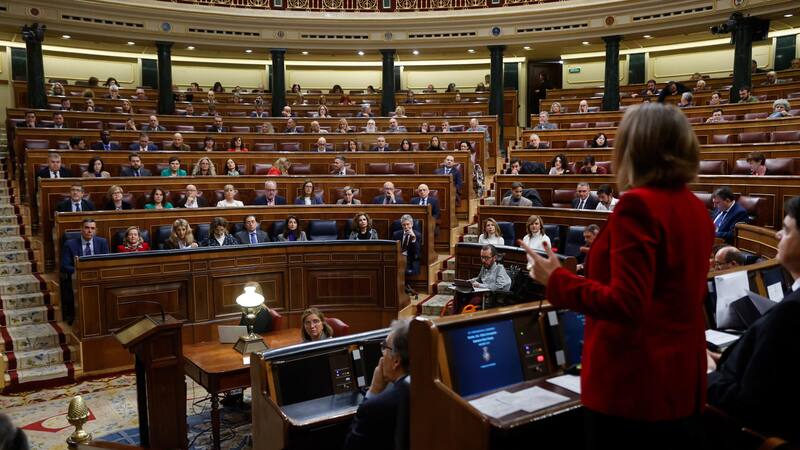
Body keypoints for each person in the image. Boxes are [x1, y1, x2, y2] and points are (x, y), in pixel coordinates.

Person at [520, 102, 715, 449]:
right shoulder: (695, 208)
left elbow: (627, 303)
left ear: (631, 150)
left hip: (634, 384)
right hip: (682, 377)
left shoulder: (638, 206)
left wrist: (557, 280)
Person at [706, 196, 800, 443]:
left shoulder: (791, 312)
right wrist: (722, 358)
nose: (778, 235)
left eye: (787, 230)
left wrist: (706, 372)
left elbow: (748, 406)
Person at [342, 319, 411, 450]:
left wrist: (374, 390)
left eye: (384, 348)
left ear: (396, 361)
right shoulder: (438, 392)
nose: (382, 355)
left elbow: (351, 446)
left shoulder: (377, 407)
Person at [60, 218, 109, 323]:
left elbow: (106, 262)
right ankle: (77, 317)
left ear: (96, 230)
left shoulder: (102, 242)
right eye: (87, 228)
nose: (89, 231)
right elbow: (64, 266)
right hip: (77, 277)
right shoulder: (70, 244)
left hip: (97, 277)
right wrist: (80, 272)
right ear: (81, 229)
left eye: (92, 228)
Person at [393, 214, 421, 295]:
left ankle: (404, 288)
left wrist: (414, 239)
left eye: (408, 224)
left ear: (412, 224)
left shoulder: (417, 235)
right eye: (404, 225)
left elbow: (417, 253)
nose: (406, 227)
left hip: (410, 259)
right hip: (398, 257)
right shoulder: (396, 234)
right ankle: (402, 288)